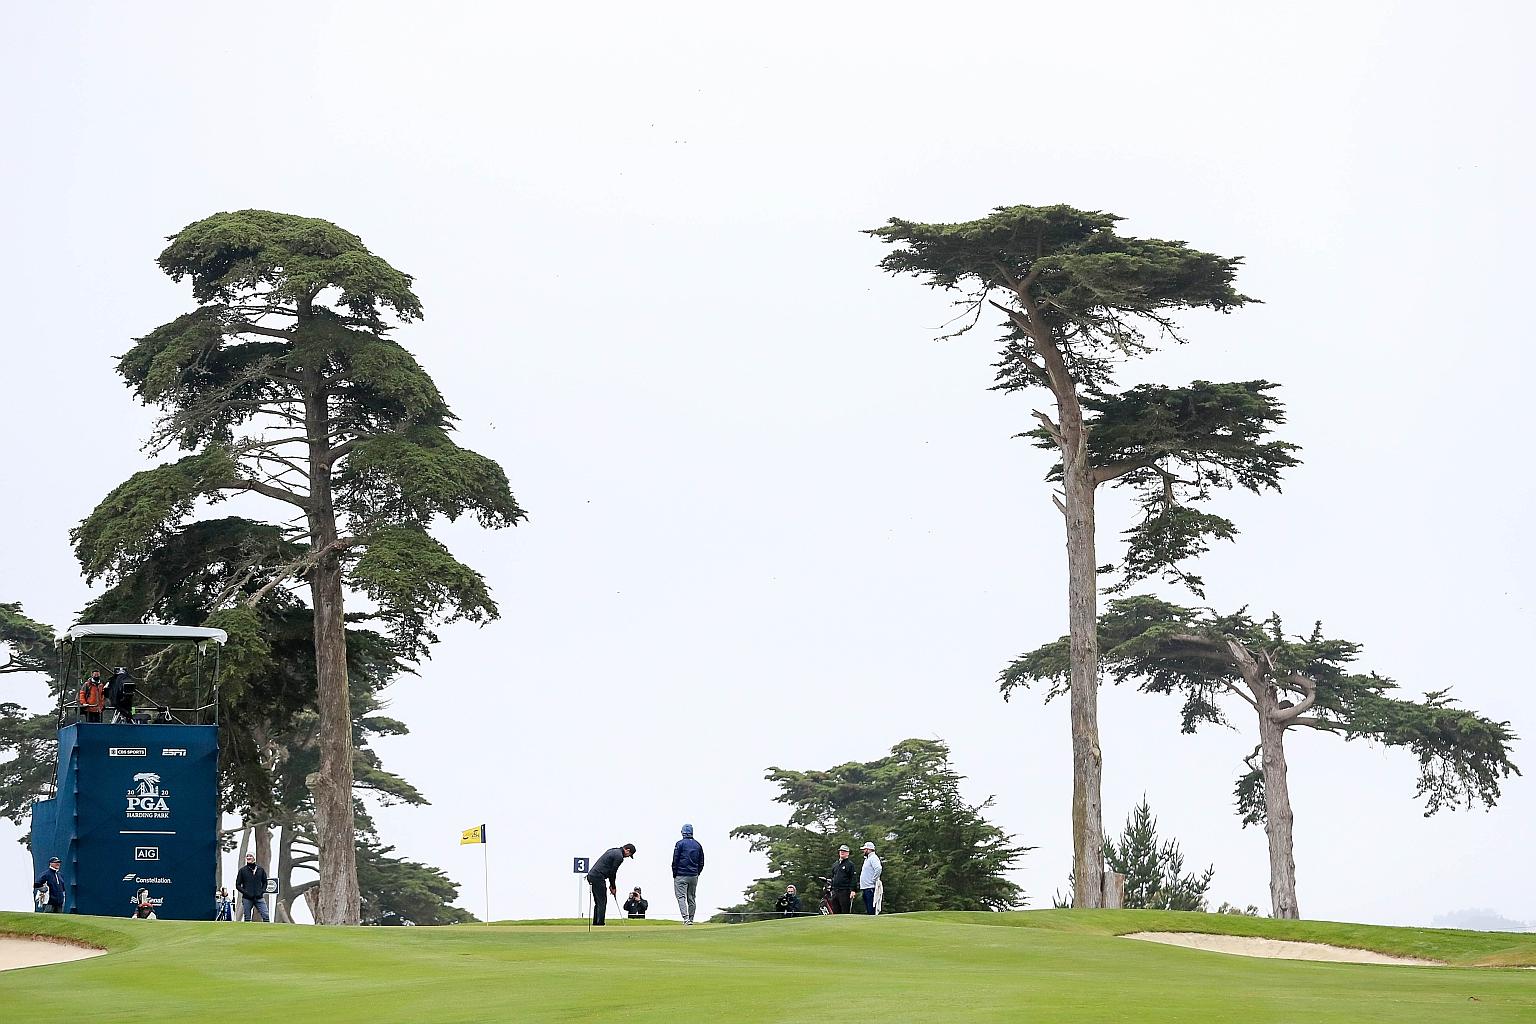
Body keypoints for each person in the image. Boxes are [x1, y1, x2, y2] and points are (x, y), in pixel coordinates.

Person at [584, 843, 636, 926]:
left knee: (598, 902)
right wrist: (613, 887)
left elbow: (609, 871)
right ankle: (600, 923)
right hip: (598, 876)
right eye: (629, 855)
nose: (627, 857)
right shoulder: (619, 857)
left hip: (592, 876)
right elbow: (613, 873)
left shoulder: (612, 850)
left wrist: (611, 885)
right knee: (602, 901)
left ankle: (596, 923)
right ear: (627, 850)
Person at [671, 823, 705, 925]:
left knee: (681, 897)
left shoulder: (679, 844)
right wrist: (697, 872)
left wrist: (674, 873)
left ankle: (685, 919)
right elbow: (701, 862)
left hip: (681, 874)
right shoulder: (698, 844)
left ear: (683, 832)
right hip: (694, 875)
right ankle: (691, 919)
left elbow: (675, 860)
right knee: (691, 897)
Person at [235, 853, 270, 922]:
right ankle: (247, 932)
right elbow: (238, 885)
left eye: (250, 856)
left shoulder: (260, 870)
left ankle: (266, 930)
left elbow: (265, 882)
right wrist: (246, 892)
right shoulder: (242, 870)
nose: (248, 858)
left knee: (266, 915)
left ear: (254, 858)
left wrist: (262, 892)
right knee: (247, 918)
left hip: (259, 897)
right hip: (247, 898)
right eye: (247, 856)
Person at [828, 844, 857, 915]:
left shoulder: (850, 865)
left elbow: (853, 877)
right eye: (841, 851)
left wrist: (853, 890)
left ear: (848, 853)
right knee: (835, 911)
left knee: (845, 911)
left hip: (844, 891)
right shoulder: (835, 864)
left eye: (844, 851)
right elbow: (833, 876)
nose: (842, 852)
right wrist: (831, 888)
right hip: (835, 891)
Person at [859, 840, 883, 915]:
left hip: (870, 888)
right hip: (866, 888)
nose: (864, 851)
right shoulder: (867, 859)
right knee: (868, 909)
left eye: (865, 849)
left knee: (871, 909)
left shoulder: (873, 858)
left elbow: (878, 868)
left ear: (869, 849)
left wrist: (874, 879)